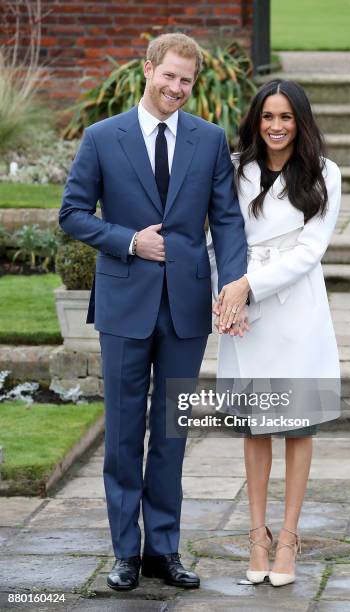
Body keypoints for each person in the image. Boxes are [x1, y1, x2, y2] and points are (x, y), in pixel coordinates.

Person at [59, 32, 248, 591]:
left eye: (186, 80)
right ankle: (124, 552)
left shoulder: (209, 140)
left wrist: (233, 284)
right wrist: (127, 241)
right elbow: (72, 213)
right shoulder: (102, 137)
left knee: (172, 432)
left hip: (187, 309)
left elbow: (228, 220)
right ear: (147, 70)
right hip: (123, 304)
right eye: (169, 76)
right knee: (122, 433)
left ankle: (163, 549)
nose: (177, 88)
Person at [209, 79, 341, 587]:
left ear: (300, 121)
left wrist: (247, 286)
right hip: (246, 313)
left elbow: (310, 251)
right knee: (255, 424)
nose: (276, 126)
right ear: (256, 120)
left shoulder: (326, 174)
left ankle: (288, 538)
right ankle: (256, 535)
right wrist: (227, 297)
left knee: (298, 424)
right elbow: (219, 235)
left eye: (286, 116)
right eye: (268, 116)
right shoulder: (237, 170)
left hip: (298, 311)